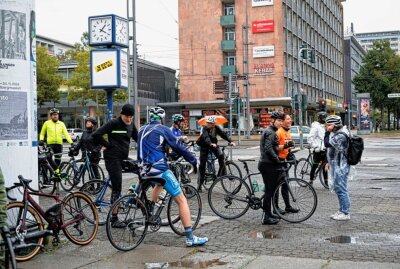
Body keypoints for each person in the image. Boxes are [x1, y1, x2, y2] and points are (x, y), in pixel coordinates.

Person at [137, 106, 208, 247]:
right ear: (162, 119)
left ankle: (150, 211)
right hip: (158, 168)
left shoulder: (141, 130)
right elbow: (178, 147)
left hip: (142, 169)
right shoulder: (163, 129)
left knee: (159, 183)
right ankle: (190, 237)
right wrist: (193, 160)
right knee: (181, 200)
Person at [92, 104, 138, 212]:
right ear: (121, 114)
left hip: (123, 157)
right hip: (112, 158)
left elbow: (139, 139)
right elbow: (96, 134)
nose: (129, 119)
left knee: (141, 169)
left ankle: (134, 197)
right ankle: (114, 217)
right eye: (127, 116)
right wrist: (108, 145)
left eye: (131, 117)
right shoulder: (114, 123)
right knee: (117, 187)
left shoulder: (131, 125)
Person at [258, 111, 284, 225]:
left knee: (271, 190)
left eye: (281, 121)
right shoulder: (270, 132)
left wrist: (286, 146)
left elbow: (274, 147)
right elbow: (268, 149)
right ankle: (266, 218)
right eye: (279, 120)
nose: (280, 123)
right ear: (272, 120)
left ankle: (269, 213)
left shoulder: (272, 131)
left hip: (268, 163)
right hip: (267, 164)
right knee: (269, 191)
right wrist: (276, 159)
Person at [196, 117, 235, 192]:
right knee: (202, 165)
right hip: (204, 146)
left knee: (221, 156)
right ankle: (199, 185)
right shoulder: (204, 128)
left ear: (213, 124)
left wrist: (231, 141)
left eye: (209, 123)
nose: (207, 124)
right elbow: (206, 137)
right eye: (207, 123)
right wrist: (210, 143)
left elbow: (223, 134)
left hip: (213, 145)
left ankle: (221, 173)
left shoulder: (216, 127)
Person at [324, 115, 351, 221]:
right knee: (338, 188)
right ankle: (341, 210)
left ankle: (345, 212)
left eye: (329, 125)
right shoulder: (339, 133)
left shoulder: (341, 135)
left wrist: (327, 132)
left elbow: (327, 144)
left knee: (341, 189)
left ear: (334, 125)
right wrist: (328, 162)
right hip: (337, 164)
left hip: (341, 165)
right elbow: (334, 150)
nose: (327, 127)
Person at [275, 113, 299, 215]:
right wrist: (286, 146)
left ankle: (288, 206)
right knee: (276, 186)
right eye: (288, 119)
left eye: (290, 119)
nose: (290, 120)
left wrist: (291, 155)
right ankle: (275, 208)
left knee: (285, 184)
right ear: (282, 121)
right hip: (277, 161)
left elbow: (287, 148)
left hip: (284, 161)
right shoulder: (279, 132)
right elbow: (275, 147)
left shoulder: (287, 132)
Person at [307, 111, 328, 186]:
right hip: (318, 150)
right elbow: (310, 138)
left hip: (324, 150)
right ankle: (311, 180)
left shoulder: (326, 126)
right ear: (319, 118)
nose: (324, 119)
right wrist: (315, 146)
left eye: (325, 117)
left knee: (325, 166)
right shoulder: (316, 126)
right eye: (323, 118)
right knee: (315, 165)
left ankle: (326, 182)